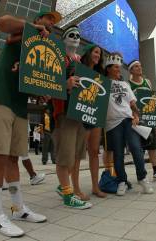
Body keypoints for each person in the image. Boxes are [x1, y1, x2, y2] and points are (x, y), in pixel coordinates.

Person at [0, 10, 62, 237]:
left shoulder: (45, 51)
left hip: (19, 106)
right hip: (0, 99)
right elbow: (2, 22)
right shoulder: (22, 32)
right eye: (48, 20)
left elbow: (31, 79)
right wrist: (31, 28)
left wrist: (41, 93)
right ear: (37, 21)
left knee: (14, 158)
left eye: (54, 24)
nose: (51, 25)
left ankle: (17, 209)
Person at [52, 25, 92, 208]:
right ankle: (68, 195)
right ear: (64, 39)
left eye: (78, 35)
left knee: (75, 154)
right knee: (65, 155)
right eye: (71, 35)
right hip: (64, 112)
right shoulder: (57, 57)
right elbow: (46, 82)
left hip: (80, 113)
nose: (76, 37)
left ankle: (64, 186)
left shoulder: (79, 61)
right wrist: (64, 84)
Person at [105, 53, 154, 196]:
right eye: (115, 67)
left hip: (128, 120)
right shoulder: (103, 83)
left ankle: (142, 178)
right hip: (112, 123)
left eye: (119, 67)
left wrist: (137, 115)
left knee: (136, 148)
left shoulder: (125, 84)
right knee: (118, 153)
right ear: (108, 69)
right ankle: (121, 181)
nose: (119, 69)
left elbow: (132, 103)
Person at [128, 60, 156, 182]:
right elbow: (128, 103)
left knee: (152, 147)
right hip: (136, 120)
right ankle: (141, 174)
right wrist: (133, 116)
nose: (139, 68)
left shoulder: (148, 82)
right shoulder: (128, 84)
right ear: (131, 70)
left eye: (140, 66)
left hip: (148, 119)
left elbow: (152, 99)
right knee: (138, 149)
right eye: (136, 66)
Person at [80, 44, 107, 198]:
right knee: (78, 152)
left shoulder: (100, 73)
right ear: (89, 52)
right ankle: (71, 187)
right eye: (96, 52)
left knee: (94, 152)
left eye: (100, 54)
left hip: (95, 115)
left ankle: (95, 187)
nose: (98, 55)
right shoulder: (78, 67)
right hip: (80, 114)